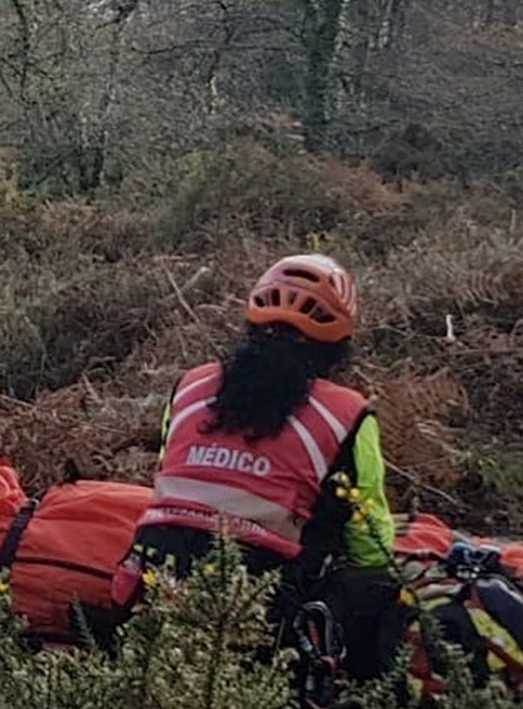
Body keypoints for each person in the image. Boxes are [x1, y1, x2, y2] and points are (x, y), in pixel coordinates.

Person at [111, 254, 394, 608]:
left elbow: (167, 472)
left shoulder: (189, 386)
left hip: (152, 579)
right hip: (264, 601)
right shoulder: (348, 414)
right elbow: (370, 542)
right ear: (338, 343)